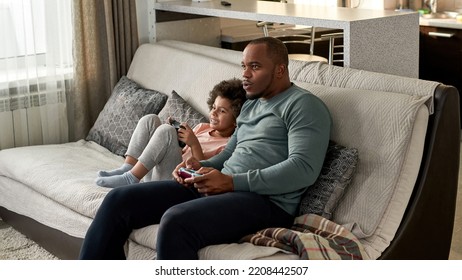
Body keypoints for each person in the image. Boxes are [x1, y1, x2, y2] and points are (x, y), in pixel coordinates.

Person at [79, 37, 332, 260]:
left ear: (280, 70)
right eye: (244, 66)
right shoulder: (251, 106)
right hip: (220, 187)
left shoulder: (303, 106)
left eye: (254, 67)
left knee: (176, 221)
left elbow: (303, 169)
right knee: (118, 200)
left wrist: (232, 183)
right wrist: (198, 167)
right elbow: (228, 155)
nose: (245, 74)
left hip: (266, 202)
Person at [95, 78, 247, 188]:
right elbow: (179, 151)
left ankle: (130, 178)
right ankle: (128, 168)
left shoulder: (227, 146)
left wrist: (194, 144)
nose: (213, 113)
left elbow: (203, 173)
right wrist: (173, 135)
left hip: (176, 183)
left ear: (236, 119)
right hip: (158, 172)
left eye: (222, 111)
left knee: (166, 131)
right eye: (213, 107)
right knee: (151, 120)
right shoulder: (202, 127)